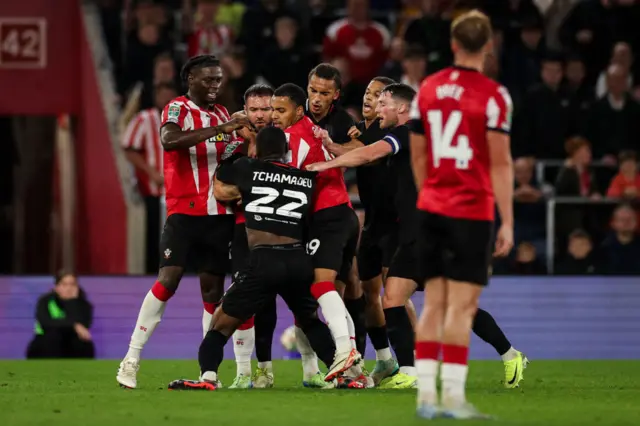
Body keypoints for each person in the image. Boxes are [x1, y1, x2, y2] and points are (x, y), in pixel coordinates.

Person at [116, 55, 253, 389]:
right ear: (190, 79)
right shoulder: (176, 109)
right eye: (208, 80)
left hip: (218, 215)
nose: (215, 86)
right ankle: (131, 360)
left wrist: (247, 137)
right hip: (184, 213)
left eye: (219, 80)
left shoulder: (222, 112)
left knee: (213, 293)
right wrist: (222, 130)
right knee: (168, 280)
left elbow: (226, 153)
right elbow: (170, 140)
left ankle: (208, 372)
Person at [168, 127, 337, 391]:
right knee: (311, 321)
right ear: (287, 152)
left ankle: (208, 378)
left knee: (220, 323)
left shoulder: (247, 168)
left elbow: (221, 192)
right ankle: (341, 373)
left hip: (263, 261)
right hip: (297, 259)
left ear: (257, 149)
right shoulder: (305, 177)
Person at [409, 10, 515, 419]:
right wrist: (507, 219)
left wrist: (428, 195)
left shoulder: (427, 89)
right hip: (472, 212)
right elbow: (501, 164)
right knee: (461, 308)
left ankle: (425, 399)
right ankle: (452, 397)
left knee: (434, 303)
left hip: (433, 207)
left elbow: (418, 155)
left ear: (453, 44)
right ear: (488, 45)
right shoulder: (494, 96)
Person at [271, 83, 364, 388]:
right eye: (272, 109)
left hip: (328, 216)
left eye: (280, 110)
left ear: (298, 111)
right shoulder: (311, 128)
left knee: (320, 286)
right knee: (332, 292)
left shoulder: (293, 137)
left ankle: (346, 352)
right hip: (344, 215)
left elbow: (286, 180)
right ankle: (353, 369)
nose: (274, 116)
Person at [306, 64, 369, 370]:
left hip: (330, 211)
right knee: (330, 288)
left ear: (336, 95)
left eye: (324, 93)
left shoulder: (343, 120)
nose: (317, 99)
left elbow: (361, 146)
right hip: (302, 213)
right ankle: (345, 362)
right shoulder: (293, 111)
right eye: (313, 91)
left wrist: (333, 148)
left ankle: (353, 358)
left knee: (337, 286)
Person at [223, 84, 278, 389]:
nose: (260, 115)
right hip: (243, 230)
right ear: (245, 110)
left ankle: (270, 369)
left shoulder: (285, 140)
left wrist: (250, 192)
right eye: (253, 109)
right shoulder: (235, 145)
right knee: (246, 297)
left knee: (282, 301)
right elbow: (220, 188)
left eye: (265, 108)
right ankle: (245, 371)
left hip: (281, 228)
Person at [121, 82, 178, 274]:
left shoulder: (186, 121)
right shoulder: (145, 119)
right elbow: (129, 148)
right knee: (155, 237)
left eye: (170, 96)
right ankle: (153, 276)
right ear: (156, 97)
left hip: (181, 194)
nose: (167, 99)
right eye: (163, 95)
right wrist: (151, 172)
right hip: (155, 192)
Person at [26, 271, 94, 359]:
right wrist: (73, 325)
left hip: (70, 341)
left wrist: (72, 302)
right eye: (64, 284)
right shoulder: (45, 301)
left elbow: (84, 325)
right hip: (46, 340)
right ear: (56, 287)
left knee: (84, 343)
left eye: (72, 284)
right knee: (53, 337)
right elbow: (45, 323)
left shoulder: (83, 305)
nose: (69, 288)